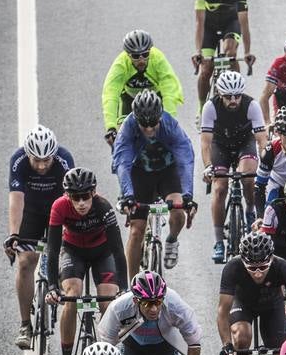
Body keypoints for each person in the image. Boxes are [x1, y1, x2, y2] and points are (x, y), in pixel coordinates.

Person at [45, 167, 127, 355]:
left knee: (109, 301)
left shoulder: (104, 207)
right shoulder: (59, 207)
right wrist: (53, 287)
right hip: (73, 251)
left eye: (85, 197)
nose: (81, 203)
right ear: (67, 196)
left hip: (102, 252)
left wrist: (124, 287)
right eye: (75, 197)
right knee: (72, 295)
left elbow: (119, 251)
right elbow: (52, 251)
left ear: (93, 193)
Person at [113, 89, 196, 277]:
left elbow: (185, 160)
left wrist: (188, 196)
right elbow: (122, 163)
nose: (149, 130)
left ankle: (172, 239)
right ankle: (131, 286)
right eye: (144, 125)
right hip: (140, 173)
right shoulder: (128, 127)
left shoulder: (170, 125)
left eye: (153, 125)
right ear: (136, 119)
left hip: (168, 171)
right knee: (136, 231)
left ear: (160, 117)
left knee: (178, 210)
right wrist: (128, 196)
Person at [5, 125, 74, 349]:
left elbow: (71, 198)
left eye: (47, 160)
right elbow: (16, 199)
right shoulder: (19, 160)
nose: (43, 165)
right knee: (25, 262)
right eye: (37, 160)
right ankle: (25, 325)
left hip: (58, 209)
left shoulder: (64, 159)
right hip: (31, 210)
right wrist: (14, 235)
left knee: (66, 254)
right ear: (28, 155)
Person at [201, 69, 268, 261]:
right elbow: (206, 142)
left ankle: (249, 212)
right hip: (220, 146)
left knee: (249, 178)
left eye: (237, 96)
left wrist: (266, 162)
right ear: (220, 94)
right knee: (220, 187)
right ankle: (218, 241)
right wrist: (208, 167)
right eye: (228, 96)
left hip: (244, 143)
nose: (233, 100)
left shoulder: (251, 105)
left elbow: (262, 140)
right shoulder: (210, 107)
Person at [193, 0, 254, 116]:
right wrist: (198, 52)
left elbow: (244, 24)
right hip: (209, 28)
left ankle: (236, 94)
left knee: (230, 54)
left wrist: (247, 52)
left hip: (230, 24)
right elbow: (199, 23)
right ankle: (201, 107)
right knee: (206, 68)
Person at [101, 29, 184, 146]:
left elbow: (170, 90)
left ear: (150, 51)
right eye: (135, 56)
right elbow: (110, 95)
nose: (141, 60)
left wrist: (169, 120)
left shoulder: (158, 59)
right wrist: (111, 127)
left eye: (145, 55)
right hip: (129, 98)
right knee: (120, 141)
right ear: (128, 55)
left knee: (167, 135)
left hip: (155, 98)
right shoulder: (120, 64)